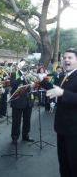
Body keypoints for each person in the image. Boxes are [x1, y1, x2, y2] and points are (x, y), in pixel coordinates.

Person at [37, 49, 77, 177]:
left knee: (74, 163)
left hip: (73, 129)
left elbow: (62, 92)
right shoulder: (65, 75)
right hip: (61, 127)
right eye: (64, 58)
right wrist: (41, 81)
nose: (66, 60)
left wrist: (63, 93)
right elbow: (56, 89)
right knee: (64, 162)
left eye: (70, 57)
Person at [10, 60, 34, 145]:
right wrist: (22, 77)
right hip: (18, 101)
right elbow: (13, 85)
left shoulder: (29, 75)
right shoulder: (14, 74)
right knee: (16, 120)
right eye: (25, 66)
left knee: (27, 120)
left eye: (27, 66)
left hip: (28, 100)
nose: (26, 68)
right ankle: (15, 137)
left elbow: (32, 85)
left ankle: (25, 135)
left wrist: (32, 84)